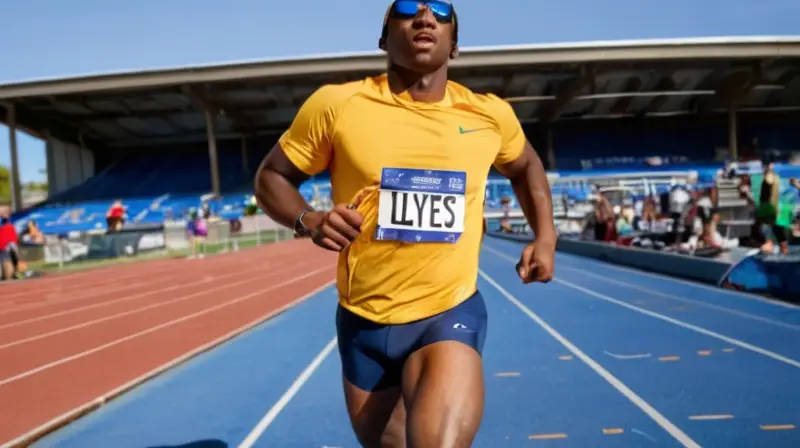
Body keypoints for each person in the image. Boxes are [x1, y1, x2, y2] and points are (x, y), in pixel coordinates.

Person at [254, 1, 556, 446]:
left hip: (447, 311)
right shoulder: (338, 105)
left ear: (455, 44)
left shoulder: (489, 114)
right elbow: (271, 176)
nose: (424, 16)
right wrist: (309, 219)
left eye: (440, 10)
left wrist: (545, 238)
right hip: (364, 322)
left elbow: (526, 166)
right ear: (383, 38)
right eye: (407, 8)